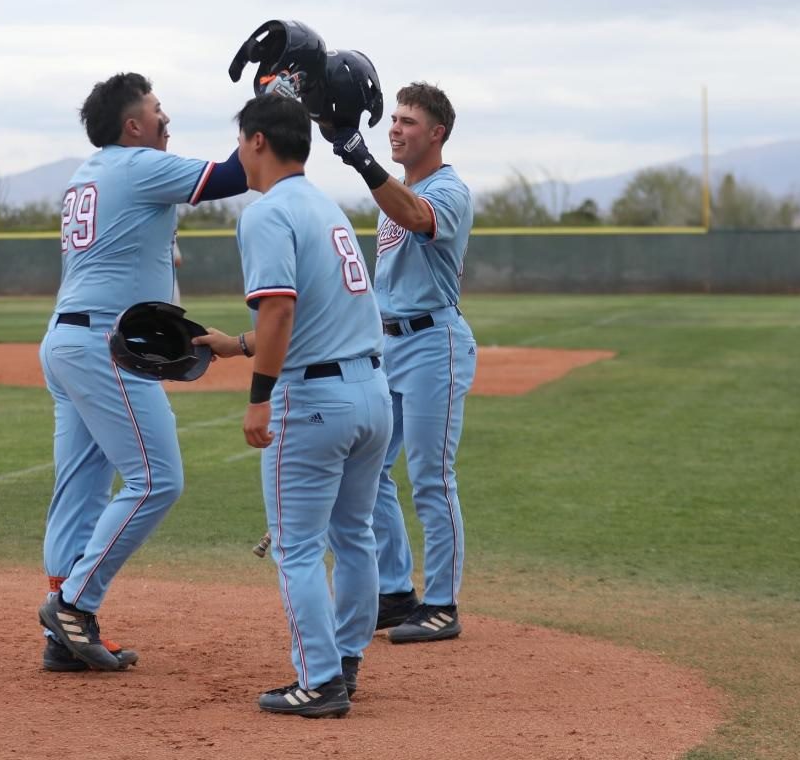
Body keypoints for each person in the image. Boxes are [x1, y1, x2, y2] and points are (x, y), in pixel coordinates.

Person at [37, 72, 248, 672]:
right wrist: (275, 95)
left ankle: (64, 634)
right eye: (157, 111)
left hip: (66, 342)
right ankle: (74, 605)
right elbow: (234, 174)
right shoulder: (137, 166)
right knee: (157, 480)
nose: (165, 119)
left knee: (78, 492)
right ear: (133, 127)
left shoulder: (90, 172)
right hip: (107, 347)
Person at [195, 94, 391, 717]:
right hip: (371, 394)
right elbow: (313, 315)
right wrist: (238, 345)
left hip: (312, 402)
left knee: (297, 546)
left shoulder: (265, 213)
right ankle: (347, 659)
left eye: (239, 143)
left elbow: (280, 307)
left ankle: (321, 680)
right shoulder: (327, 207)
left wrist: (260, 396)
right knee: (355, 534)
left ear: (256, 142)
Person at [328, 82, 477, 644]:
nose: (395, 128)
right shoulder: (399, 189)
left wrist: (360, 158)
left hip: (433, 342)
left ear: (437, 133)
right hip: (387, 345)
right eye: (393, 118)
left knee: (432, 478)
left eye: (408, 121)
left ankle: (442, 603)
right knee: (370, 470)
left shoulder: (448, 190)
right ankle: (394, 590)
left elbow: (418, 217)